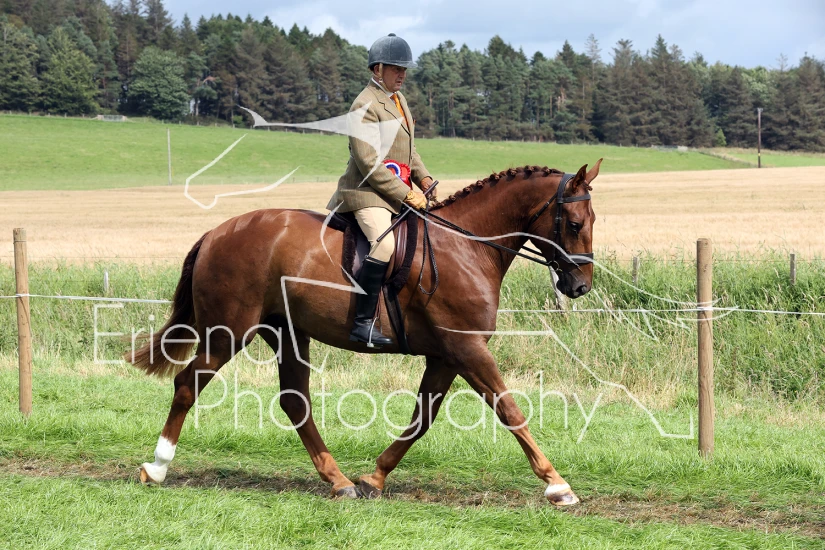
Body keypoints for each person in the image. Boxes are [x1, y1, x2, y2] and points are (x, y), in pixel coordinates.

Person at [327, 33, 436, 348]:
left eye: (404, 70)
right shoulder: (364, 104)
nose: (402, 75)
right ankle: (362, 324)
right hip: (367, 194)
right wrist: (407, 194)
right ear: (378, 69)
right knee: (385, 246)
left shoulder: (398, 100)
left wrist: (424, 180)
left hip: (395, 192)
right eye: (395, 69)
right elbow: (370, 164)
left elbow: (407, 151)